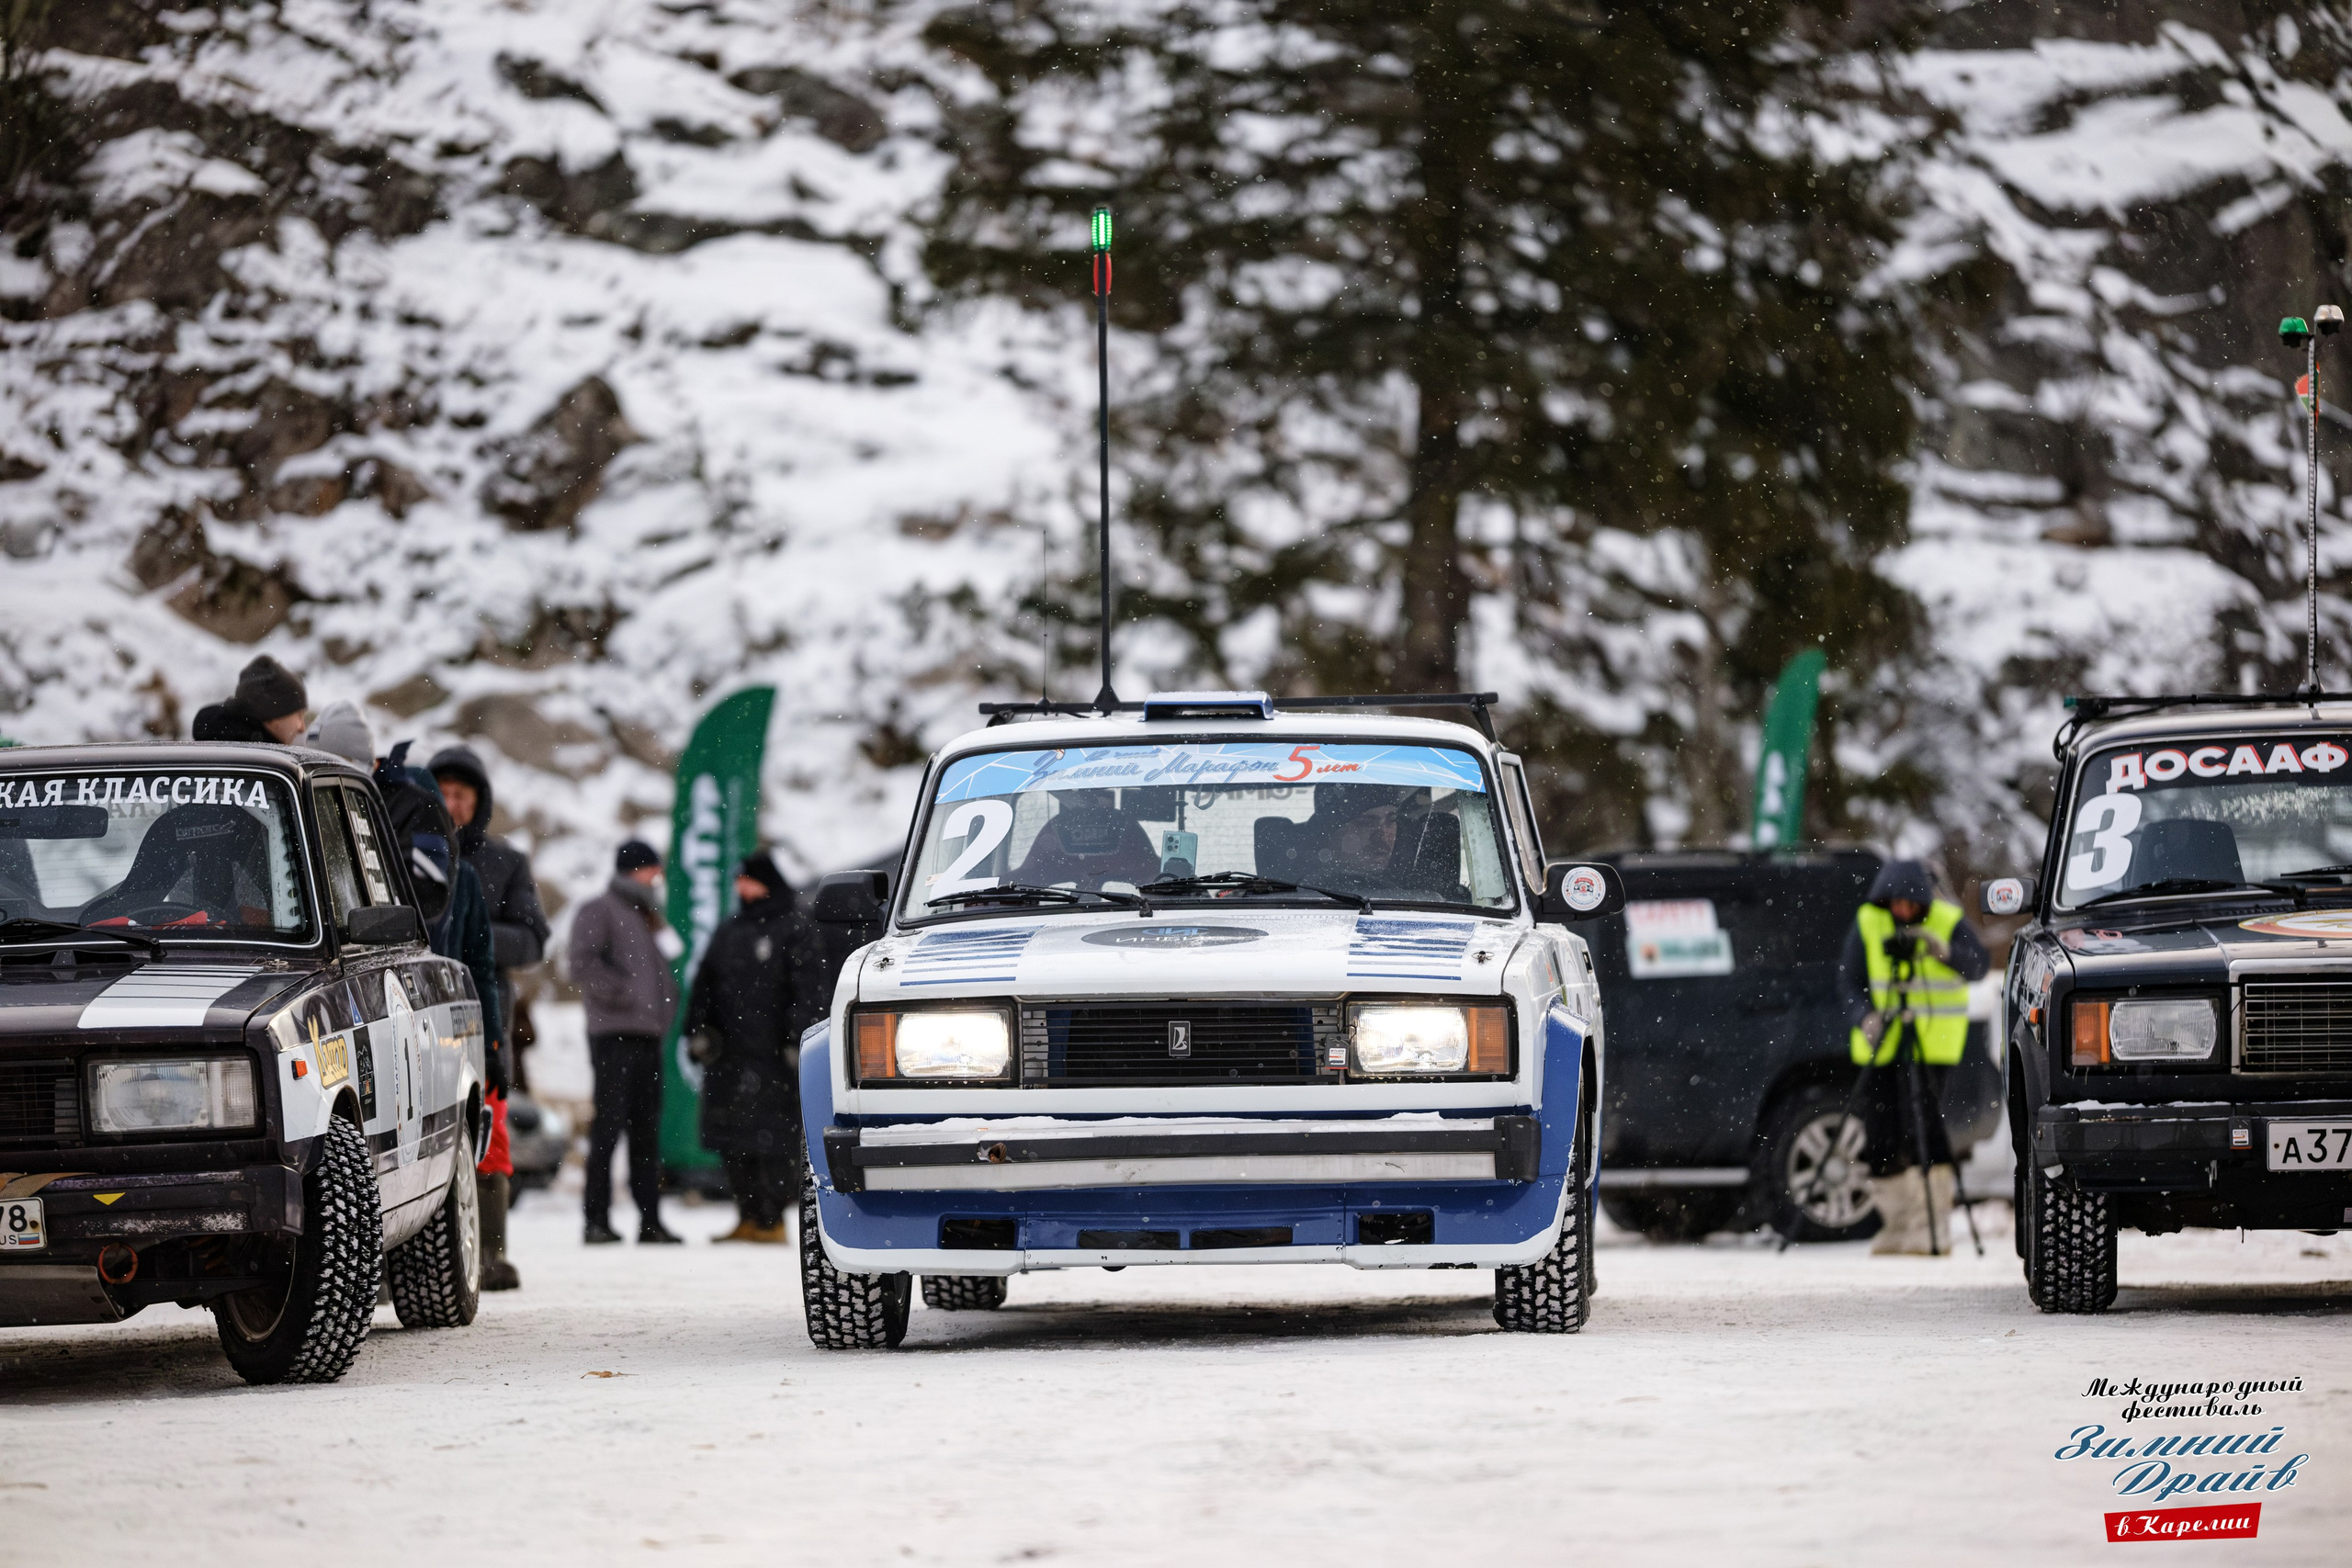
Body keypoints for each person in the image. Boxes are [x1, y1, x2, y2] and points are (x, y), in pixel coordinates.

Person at [1839, 859, 1991, 1255]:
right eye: (1894, 904)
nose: (1902, 912)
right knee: (1880, 1133)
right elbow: (1850, 982)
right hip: (1883, 1043)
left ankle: (1932, 1225)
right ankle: (1899, 1225)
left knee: (1921, 1124)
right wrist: (1864, 1017)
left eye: (1909, 904)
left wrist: (1944, 953)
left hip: (1931, 1044)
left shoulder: (1947, 920)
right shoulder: (1869, 923)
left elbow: (1978, 966)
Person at [684, 852, 827, 1243]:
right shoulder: (730, 930)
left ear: (762, 881)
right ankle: (748, 1216)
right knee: (733, 1138)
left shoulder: (795, 927)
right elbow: (703, 986)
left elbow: (809, 991)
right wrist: (698, 1031)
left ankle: (771, 1219)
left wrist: (798, 1041)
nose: (739, 888)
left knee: (773, 1140)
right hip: (729, 1057)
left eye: (745, 880)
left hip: (773, 1059)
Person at [569, 840, 684, 1246]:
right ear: (631, 871)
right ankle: (595, 1219)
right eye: (651, 869)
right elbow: (581, 964)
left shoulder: (649, 916)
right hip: (614, 1036)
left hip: (647, 1037)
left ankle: (650, 1220)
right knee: (609, 1128)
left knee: (646, 1130)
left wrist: (662, 1009)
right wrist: (625, 998)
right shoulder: (599, 910)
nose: (657, 877)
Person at [425, 746, 550, 1089]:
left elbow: (532, 941)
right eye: (444, 793)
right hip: (418, 1011)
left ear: (480, 801)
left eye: (461, 795)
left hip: (484, 1018)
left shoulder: (507, 864)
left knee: (487, 1121)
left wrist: (468, 934)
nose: (452, 804)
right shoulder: (402, 854)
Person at [192, 655, 307, 743]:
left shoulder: (224, 750)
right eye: (299, 715)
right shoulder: (263, 765)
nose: (302, 727)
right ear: (273, 718)